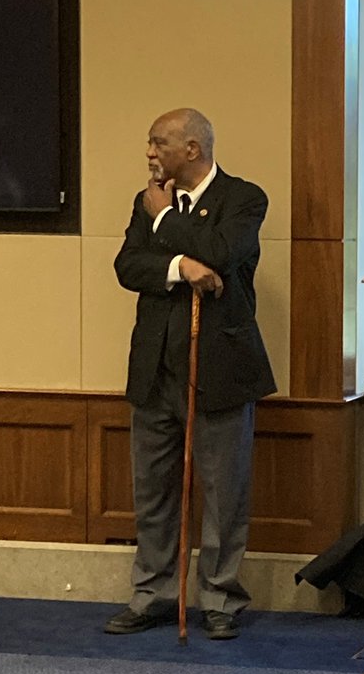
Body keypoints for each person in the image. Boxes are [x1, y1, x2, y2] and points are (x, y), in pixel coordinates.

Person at [104, 108, 276, 640]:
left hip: (220, 371)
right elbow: (127, 266)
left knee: (224, 493)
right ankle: (153, 592)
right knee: (154, 490)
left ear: (192, 150)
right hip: (156, 371)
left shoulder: (244, 198)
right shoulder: (147, 199)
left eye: (158, 143)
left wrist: (165, 225)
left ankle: (221, 597)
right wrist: (181, 268)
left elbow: (224, 252)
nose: (150, 153)